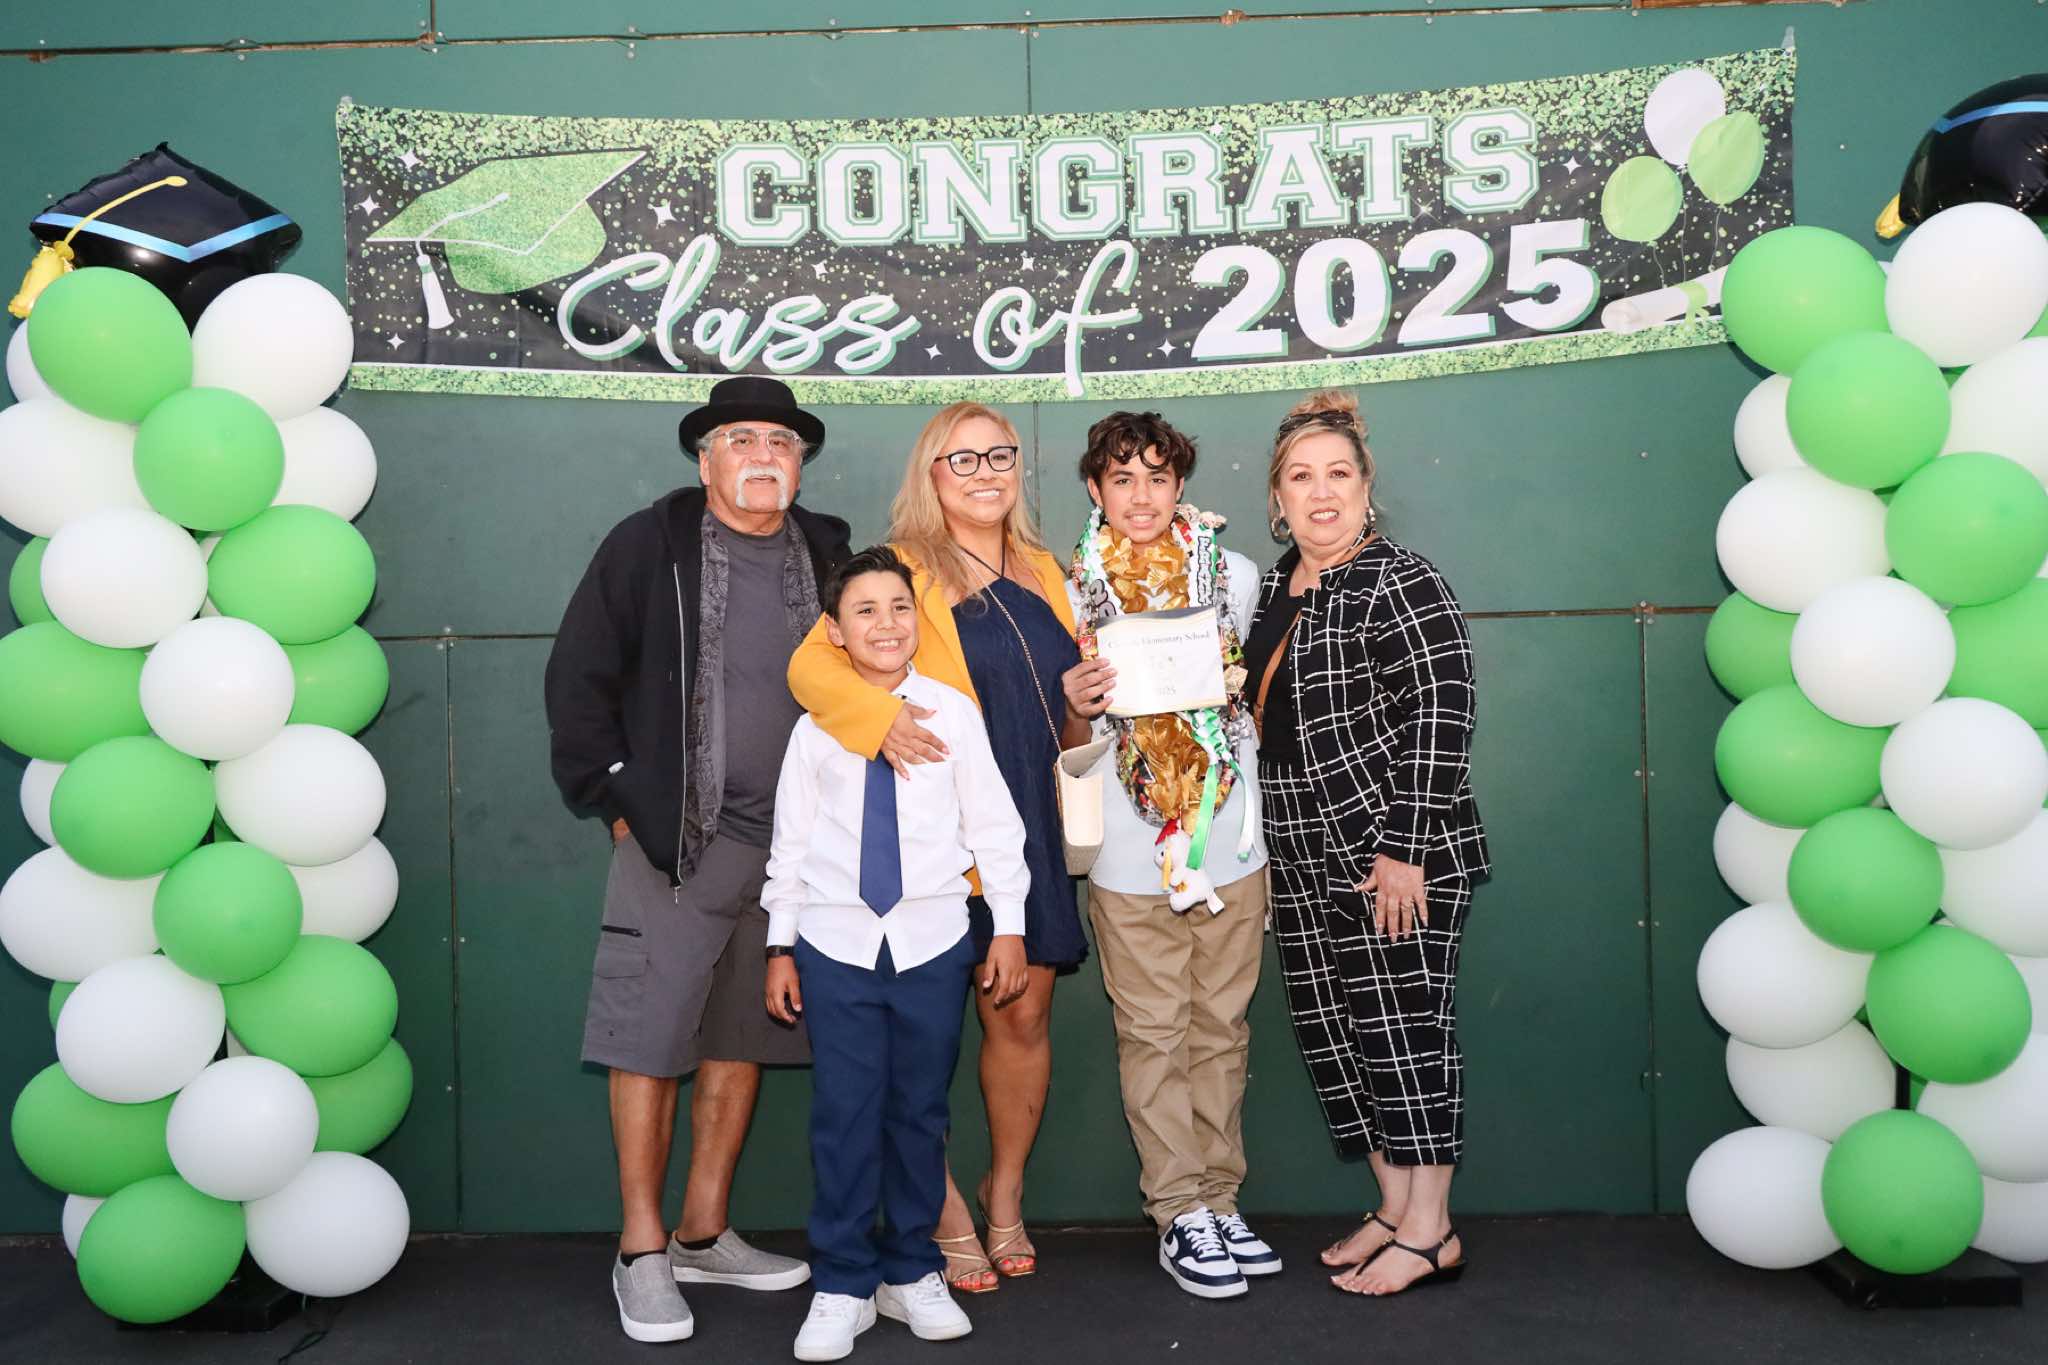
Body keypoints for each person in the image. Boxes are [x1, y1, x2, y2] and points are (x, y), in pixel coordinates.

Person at [544, 375, 850, 1343]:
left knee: (740, 1036)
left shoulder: (828, 551)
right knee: (649, 1038)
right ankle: (641, 1248)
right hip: (681, 841)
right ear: (706, 458)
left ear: (800, 463)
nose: (764, 456)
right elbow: (578, 676)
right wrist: (621, 801)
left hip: (795, 844)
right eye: (741, 439)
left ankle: (703, 1232)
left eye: (781, 442)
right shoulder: (651, 544)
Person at [787, 401, 1089, 1292]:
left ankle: (1005, 1195)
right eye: (962, 459)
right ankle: (942, 1212)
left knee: (1022, 1017)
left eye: (999, 454)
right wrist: (878, 720)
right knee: (912, 1043)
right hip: (927, 839)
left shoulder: (1048, 567)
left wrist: (1083, 702)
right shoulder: (903, 567)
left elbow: (1061, 700)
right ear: (930, 473)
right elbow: (810, 667)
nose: (985, 472)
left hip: (1025, 823)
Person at [1244, 389, 1489, 1297]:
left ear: (1365, 486)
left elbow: (1444, 714)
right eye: (1301, 477)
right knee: (1336, 1032)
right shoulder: (1275, 588)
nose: (1321, 492)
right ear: (1277, 497)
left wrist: (1405, 847)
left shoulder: (1401, 579)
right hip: (1299, 842)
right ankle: (1393, 1206)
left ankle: (1432, 1230)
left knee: (1405, 1027)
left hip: (1391, 846)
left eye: (1338, 474)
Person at [764, 546, 1032, 1361]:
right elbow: (790, 845)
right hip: (835, 944)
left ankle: (912, 1268)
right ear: (834, 632)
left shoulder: (954, 713)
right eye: (865, 610)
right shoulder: (815, 730)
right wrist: (780, 944)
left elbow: (994, 825)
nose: (886, 623)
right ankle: (843, 1279)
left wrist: (1009, 924)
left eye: (900, 606)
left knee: (920, 1111)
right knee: (845, 1113)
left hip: (933, 941)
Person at [1058, 412, 1279, 1299]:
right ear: (1095, 489)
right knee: (1153, 1032)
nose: (1141, 495)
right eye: (1123, 478)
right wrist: (1076, 700)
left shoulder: (1238, 576)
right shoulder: (1071, 591)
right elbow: (1067, 732)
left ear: (1181, 485)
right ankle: (1178, 1208)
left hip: (1229, 843)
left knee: (1222, 1028)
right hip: (1129, 849)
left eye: (1157, 476)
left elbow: (1242, 702)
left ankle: (1220, 1197)